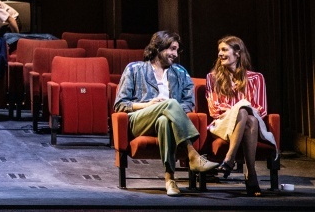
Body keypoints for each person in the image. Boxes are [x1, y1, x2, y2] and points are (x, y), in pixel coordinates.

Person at [113, 30, 219, 196]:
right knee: (170, 103)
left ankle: (170, 180)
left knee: (164, 120)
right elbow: (120, 105)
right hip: (140, 121)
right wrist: (147, 105)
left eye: (177, 50)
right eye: (171, 49)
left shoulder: (181, 73)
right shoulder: (134, 69)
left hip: (168, 123)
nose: (175, 54)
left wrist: (168, 110)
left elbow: (189, 104)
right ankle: (192, 154)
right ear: (158, 48)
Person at [205, 35, 277, 196]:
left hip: (252, 123)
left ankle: (230, 160)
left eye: (224, 50)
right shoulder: (213, 78)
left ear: (237, 53)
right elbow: (214, 109)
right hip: (223, 124)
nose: (220, 54)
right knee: (244, 110)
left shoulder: (256, 78)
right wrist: (238, 109)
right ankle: (251, 174)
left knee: (248, 116)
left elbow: (261, 109)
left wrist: (239, 109)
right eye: (219, 50)